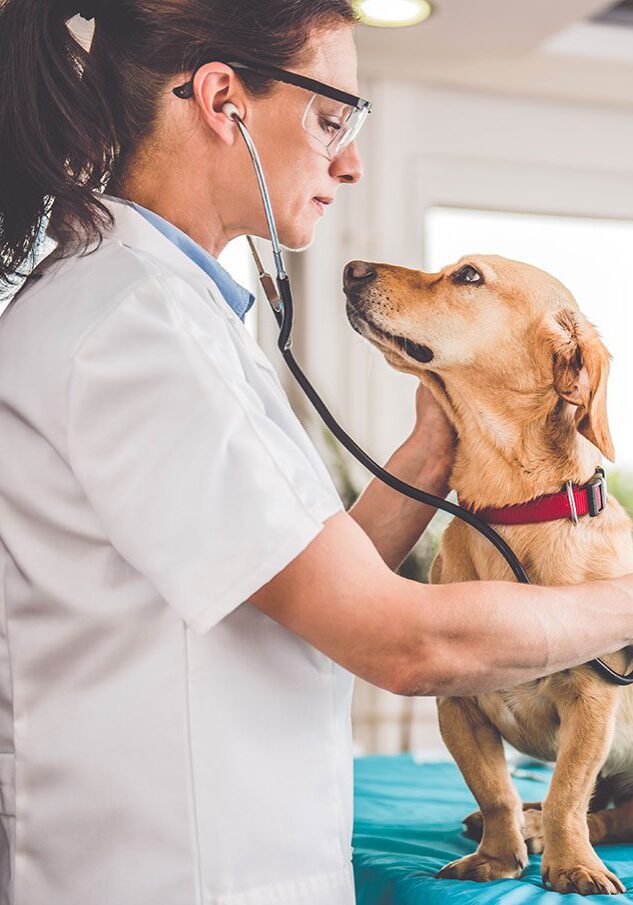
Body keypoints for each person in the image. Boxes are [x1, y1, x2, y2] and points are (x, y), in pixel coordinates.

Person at [0, 1, 632, 904]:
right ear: (223, 101)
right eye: (332, 118)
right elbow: (399, 640)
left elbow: (294, 581)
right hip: (170, 871)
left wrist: (427, 454)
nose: (351, 161)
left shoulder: (171, 320)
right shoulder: (131, 334)